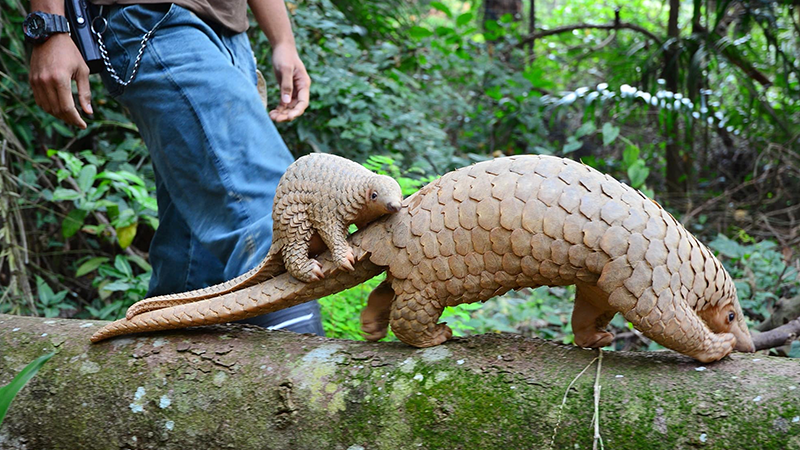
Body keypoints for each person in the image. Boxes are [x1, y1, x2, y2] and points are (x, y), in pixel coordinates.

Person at [26, 0, 325, 335]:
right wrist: (49, 26)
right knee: (282, 223)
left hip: (231, 34)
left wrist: (283, 40)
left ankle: (160, 377)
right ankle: (306, 383)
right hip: (150, 18)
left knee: (192, 277)